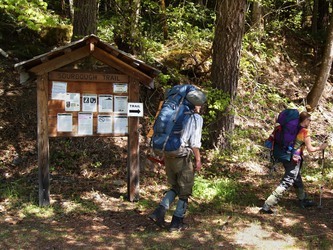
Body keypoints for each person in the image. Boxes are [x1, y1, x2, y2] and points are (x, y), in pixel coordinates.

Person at [149, 103, 205, 231]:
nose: (200, 107)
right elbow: (194, 143)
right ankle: (176, 222)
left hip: (168, 155)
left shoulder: (174, 113)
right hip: (181, 157)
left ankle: (159, 212)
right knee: (185, 190)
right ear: (195, 104)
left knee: (175, 187)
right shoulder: (195, 118)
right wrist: (198, 160)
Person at [260, 111, 328, 214]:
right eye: (310, 120)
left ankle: (303, 200)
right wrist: (321, 147)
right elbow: (310, 149)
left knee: (296, 178)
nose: (310, 122)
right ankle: (267, 205)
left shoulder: (292, 129)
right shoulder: (304, 131)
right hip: (294, 159)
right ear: (305, 120)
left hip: (285, 155)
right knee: (287, 181)